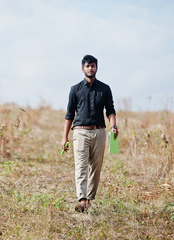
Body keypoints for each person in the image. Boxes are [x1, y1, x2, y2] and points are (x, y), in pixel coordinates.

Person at [61, 55, 119, 213]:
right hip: (80, 132)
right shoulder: (75, 89)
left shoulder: (105, 89)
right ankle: (82, 200)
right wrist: (64, 137)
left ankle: (89, 198)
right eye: (87, 66)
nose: (90, 68)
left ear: (96, 68)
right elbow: (69, 114)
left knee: (96, 167)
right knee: (81, 166)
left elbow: (110, 110)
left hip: (99, 132)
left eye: (93, 66)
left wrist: (113, 126)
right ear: (82, 69)